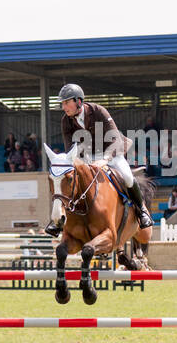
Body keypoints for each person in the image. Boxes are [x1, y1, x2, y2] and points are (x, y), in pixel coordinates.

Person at [54, 83, 152, 232]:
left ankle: (141, 211)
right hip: (87, 156)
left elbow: (115, 138)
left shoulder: (98, 111)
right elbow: (70, 148)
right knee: (69, 181)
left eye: (66, 102)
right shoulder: (65, 121)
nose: (64, 107)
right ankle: (60, 218)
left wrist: (105, 159)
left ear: (78, 101)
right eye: (62, 103)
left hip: (111, 151)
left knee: (127, 177)